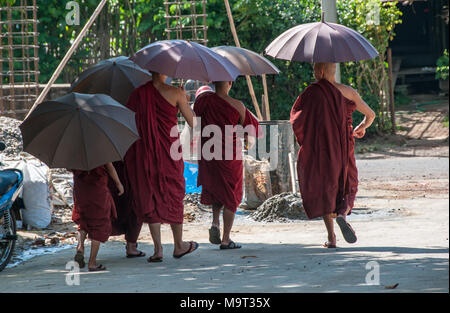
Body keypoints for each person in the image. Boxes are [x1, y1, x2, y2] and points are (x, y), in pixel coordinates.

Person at [290, 62, 375, 248]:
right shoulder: (348, 92)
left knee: (325, 187)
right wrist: (362, 126)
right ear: (333, 70)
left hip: (321, 149)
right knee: (347, 181)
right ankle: (342, 215)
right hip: (344, 147)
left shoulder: (311, 94)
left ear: (319, 71)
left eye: (314, 69)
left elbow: (297, 120)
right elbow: (371, 114)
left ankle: (331, 238)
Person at [124, 71, 199, 262]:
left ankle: (157, 249)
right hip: (169, 152)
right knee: (174, 194)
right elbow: (193, 122)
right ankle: (179, 245)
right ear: (166, 71)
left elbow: (127, 122)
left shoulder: (137, 94)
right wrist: (183, 98)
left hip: (144, 153)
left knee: (151, 195)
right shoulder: (175, 93)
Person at [194, 81, 261, 250]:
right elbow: (251, 129)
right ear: (230, 83)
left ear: (213, 83)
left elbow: (194, 119)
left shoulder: (203, 101)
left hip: (208, 153)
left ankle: (215, 223)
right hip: (230, 155)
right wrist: (246, 143)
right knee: (232, 195)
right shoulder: (237, 105)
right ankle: (226, 239)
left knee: (217, 189)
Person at [72, 163, 124, 271]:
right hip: (97, 189)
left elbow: (69, 168)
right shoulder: (99, 147)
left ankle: (80, 247)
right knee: (99, 223)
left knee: (84, 219)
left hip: (81, 188)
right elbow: (109, 166)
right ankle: (92, 262)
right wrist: (118, 184)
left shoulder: (74, 149)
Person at [108, 161, 145, 258]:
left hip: (108, 174)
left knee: (105, 209)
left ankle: (82, 247)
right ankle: (131, 245)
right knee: (135, 206)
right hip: (132, 169)